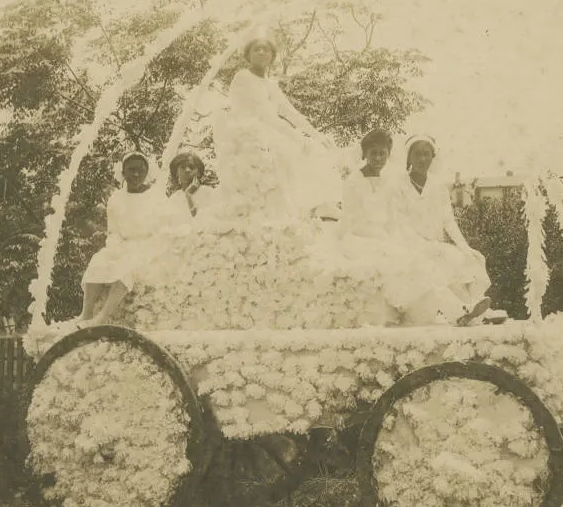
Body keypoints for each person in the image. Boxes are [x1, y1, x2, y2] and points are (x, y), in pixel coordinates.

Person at [336, 129, 469, 327]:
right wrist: (383, 240)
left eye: (383, 153)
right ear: (364, 154)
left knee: (416, 260)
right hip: (358, 239)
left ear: (389, 155)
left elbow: (392, 220)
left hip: (384, 238)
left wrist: (399, 240)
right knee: (402, 263)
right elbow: (352, 220)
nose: (378, 158)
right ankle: (455, 312)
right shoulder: (353, 182)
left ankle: (458, 312)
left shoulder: (388, 183)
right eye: (373, 153)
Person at [213, 26, 340, 221]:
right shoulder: (243, 78)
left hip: (270, 131)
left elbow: (289, 111)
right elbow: (264, 115)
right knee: (285, 158)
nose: (262, 52)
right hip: (249, 134)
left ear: (272, 55)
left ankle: (316, 208)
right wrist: (296, 137)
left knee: (311, 150)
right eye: (257, 49)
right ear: (248, 54)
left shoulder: (270, 83)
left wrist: (315, 134)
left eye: (266, 49)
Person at [397, 134, 498, 325]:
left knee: (468, 258)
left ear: (433, 158)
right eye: (417, 154)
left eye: (427, 154)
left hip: (436, 245)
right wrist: (422, 245)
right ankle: (461, 312)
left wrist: (464, 246)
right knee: (434, 269)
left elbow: (448, 221)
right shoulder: (399, 185)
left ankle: (474, 308)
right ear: (409, 157)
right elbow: (400, 222)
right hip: (409, 246)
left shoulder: (438, 187)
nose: (422, 159)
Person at [76, 151, 164, 325]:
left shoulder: (157, 197)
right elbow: (113, 231)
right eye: (131, 170)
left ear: (147, 172)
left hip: (149, 246)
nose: (136, 174)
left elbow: (163, 228)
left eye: (140, 170)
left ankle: (103, 317)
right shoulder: (116, 199)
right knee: (99, 261)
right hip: (122, 244)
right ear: (123, 172)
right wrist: (116, 249)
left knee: (126, 267)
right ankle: (86, 314)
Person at [167, 150, 216, 221]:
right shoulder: (174, 198)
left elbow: (203, 223)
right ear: (177, 173)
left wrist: (188, 195)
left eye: (192, 167)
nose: (187, 170)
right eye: (183, 167)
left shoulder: (208, 193)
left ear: (199, 172)